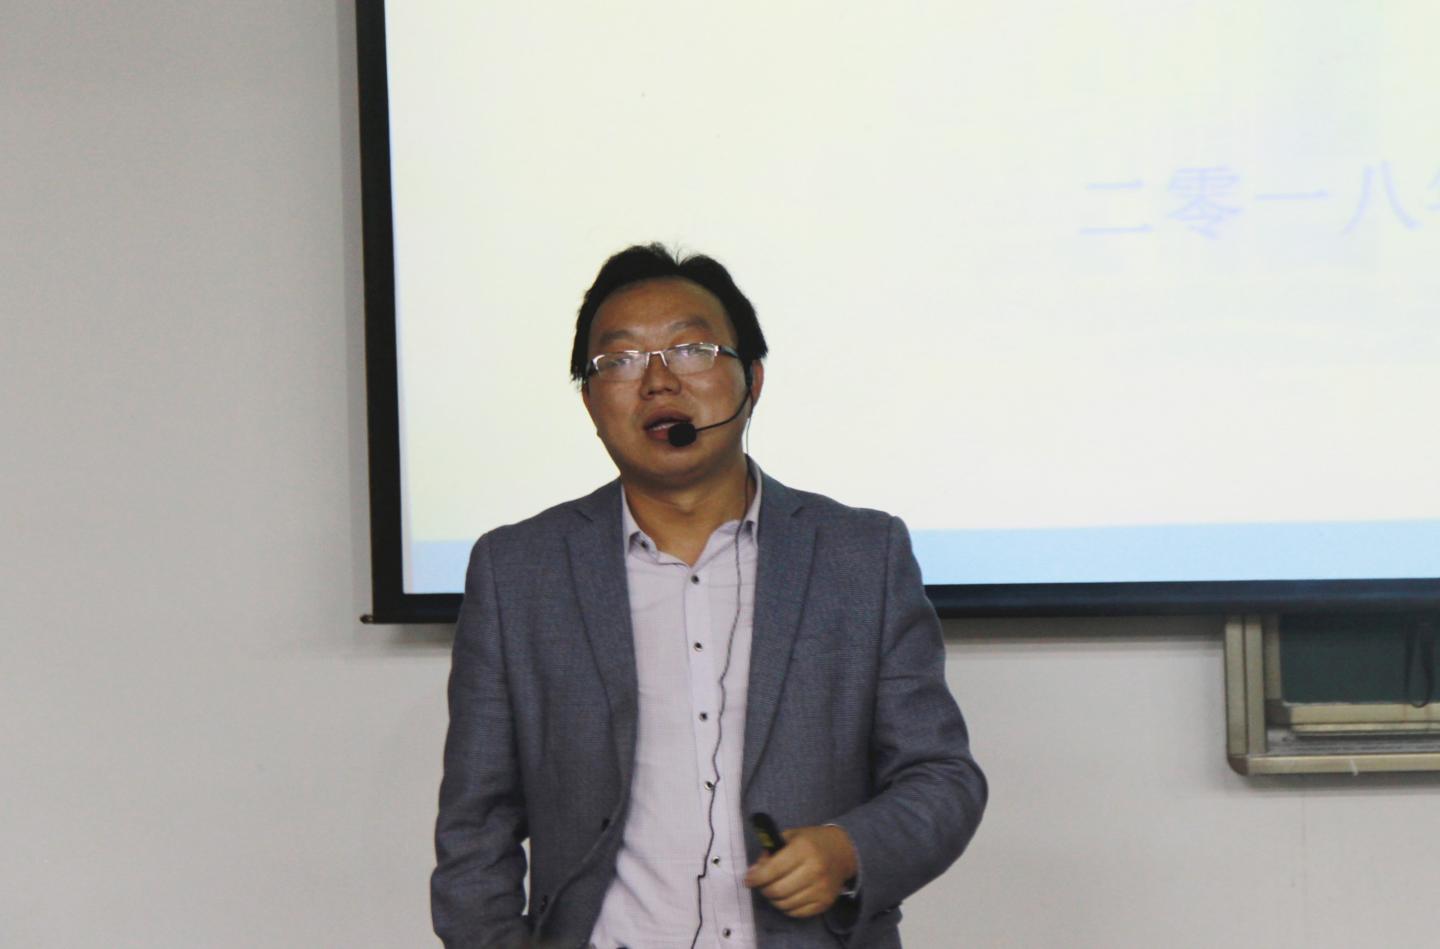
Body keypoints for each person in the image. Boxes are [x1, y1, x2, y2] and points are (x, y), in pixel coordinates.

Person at [432, 244, 986, 948]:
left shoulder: (859, 556)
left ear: (752, 380)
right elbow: (475, 824)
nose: (658, 381)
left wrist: (848, 850)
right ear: (591, 403)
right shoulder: (519, 571)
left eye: (691, 349)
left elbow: (941, 776)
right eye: (620, 360)